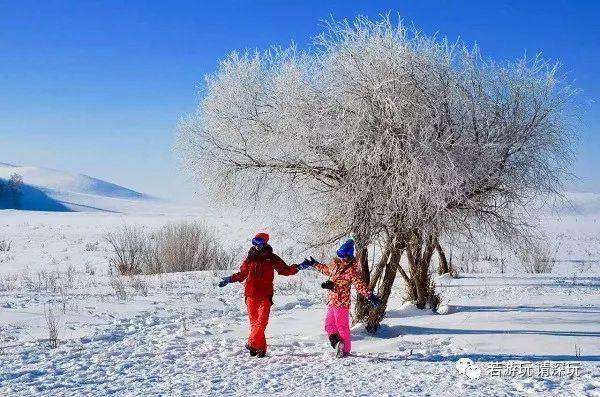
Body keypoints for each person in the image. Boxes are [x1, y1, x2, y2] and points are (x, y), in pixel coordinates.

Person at [218, 232, 311, 357]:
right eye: (254, 243)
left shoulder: (272, 258)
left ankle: (251, 343)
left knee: (262, 323)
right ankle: (260, 348)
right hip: (250, 295)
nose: (257, 246)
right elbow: (242, 274)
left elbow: (285, 270)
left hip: (265, 295)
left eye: (259, 243)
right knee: (254, 323)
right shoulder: (250, 258)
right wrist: (230, 279)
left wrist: (299, 267)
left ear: (265, 243)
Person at [307, 239, 381, 358]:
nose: (341, 258)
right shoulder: (335, 264)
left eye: (343, 256)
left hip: (342, 302)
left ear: (349, 255)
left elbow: (359, 284)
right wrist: (314, 264)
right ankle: (337, 344)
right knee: (329, 325)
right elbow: (326, 269)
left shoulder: (353, 270)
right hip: (332, 301)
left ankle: (345, 351)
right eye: (339, 255)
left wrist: (369, 295)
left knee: (342, 327)